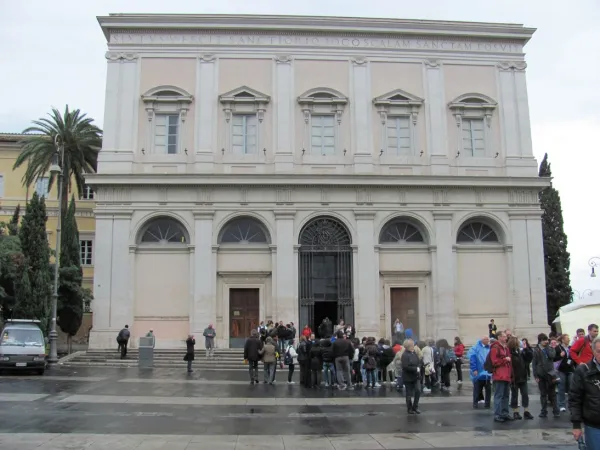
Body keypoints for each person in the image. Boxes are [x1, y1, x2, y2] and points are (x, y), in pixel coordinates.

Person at [569, 336, 600, 449]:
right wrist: (576, 425)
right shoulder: (583, 371)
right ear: (593, 351)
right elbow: (575, 399)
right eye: (599, 352)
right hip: (594, 426)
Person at [532, 333, 560, 418]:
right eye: (544, 340)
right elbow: (534, 363)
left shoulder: (550, 348)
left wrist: (547, 348)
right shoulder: (536, 350)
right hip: (541, 374)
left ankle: (556, 410)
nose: (545, 341)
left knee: (552, 393)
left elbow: (552, 356)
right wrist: (535, 375)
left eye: (546, 340)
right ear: (540, 341)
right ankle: (543, 411)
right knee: (543, 394)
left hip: (550, 374)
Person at [490, 331, 512, 422]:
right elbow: (494, 362)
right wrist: (504, 360)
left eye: (506, 336)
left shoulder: (506, 348)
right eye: (504, 336)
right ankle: (497, 414)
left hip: (506, 374)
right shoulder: (495, 348)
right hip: (499, 375)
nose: (506, 338)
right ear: (499, 337)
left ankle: (505, 413)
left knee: (506, 395)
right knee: (498, 395)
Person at [508, 336, 532, 420]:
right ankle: (515, 412)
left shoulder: (520, 352)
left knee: (525, 394)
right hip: (514, 378)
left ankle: (526, 411)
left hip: (523, 376)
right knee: (515, 395)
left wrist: (526, 349)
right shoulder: (509, 353)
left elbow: (529, 358)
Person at [468, 336, 492, 409]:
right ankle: (475, 403)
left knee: (488, 390)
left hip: (488, 373)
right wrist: (474, 369)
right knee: (477, 389)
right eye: (486, 339)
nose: (488, 340)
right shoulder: (475, 348)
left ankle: (487, 404)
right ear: (482, 340)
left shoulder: (490, 348)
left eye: (488, 339)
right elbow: (473, 359)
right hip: (479, 372)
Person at [401, 339, 421, 414]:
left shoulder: (414, 353)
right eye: (412, 345)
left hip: (416, 376)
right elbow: (405, 366)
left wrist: (419, 366)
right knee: (409, 393)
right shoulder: (405, 355)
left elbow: (418, 361)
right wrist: (416, 368)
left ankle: (415, 407)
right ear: (408, 346)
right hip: (408, 377)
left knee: (418, 391)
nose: (413, 346)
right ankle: (409, 408)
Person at [557, 333, 574, 412]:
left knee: (571, 388)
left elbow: (572, 357)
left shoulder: (571, 348)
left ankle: (571, 404)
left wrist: (571, 362)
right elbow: (554, 359)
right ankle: (562, 404)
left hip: (570, 369)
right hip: (561, 370)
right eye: (567, 338)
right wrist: (560, 356)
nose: (569, 340)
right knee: (561, 387)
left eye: (569, 338)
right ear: (563, 340)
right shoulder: (558, 348)